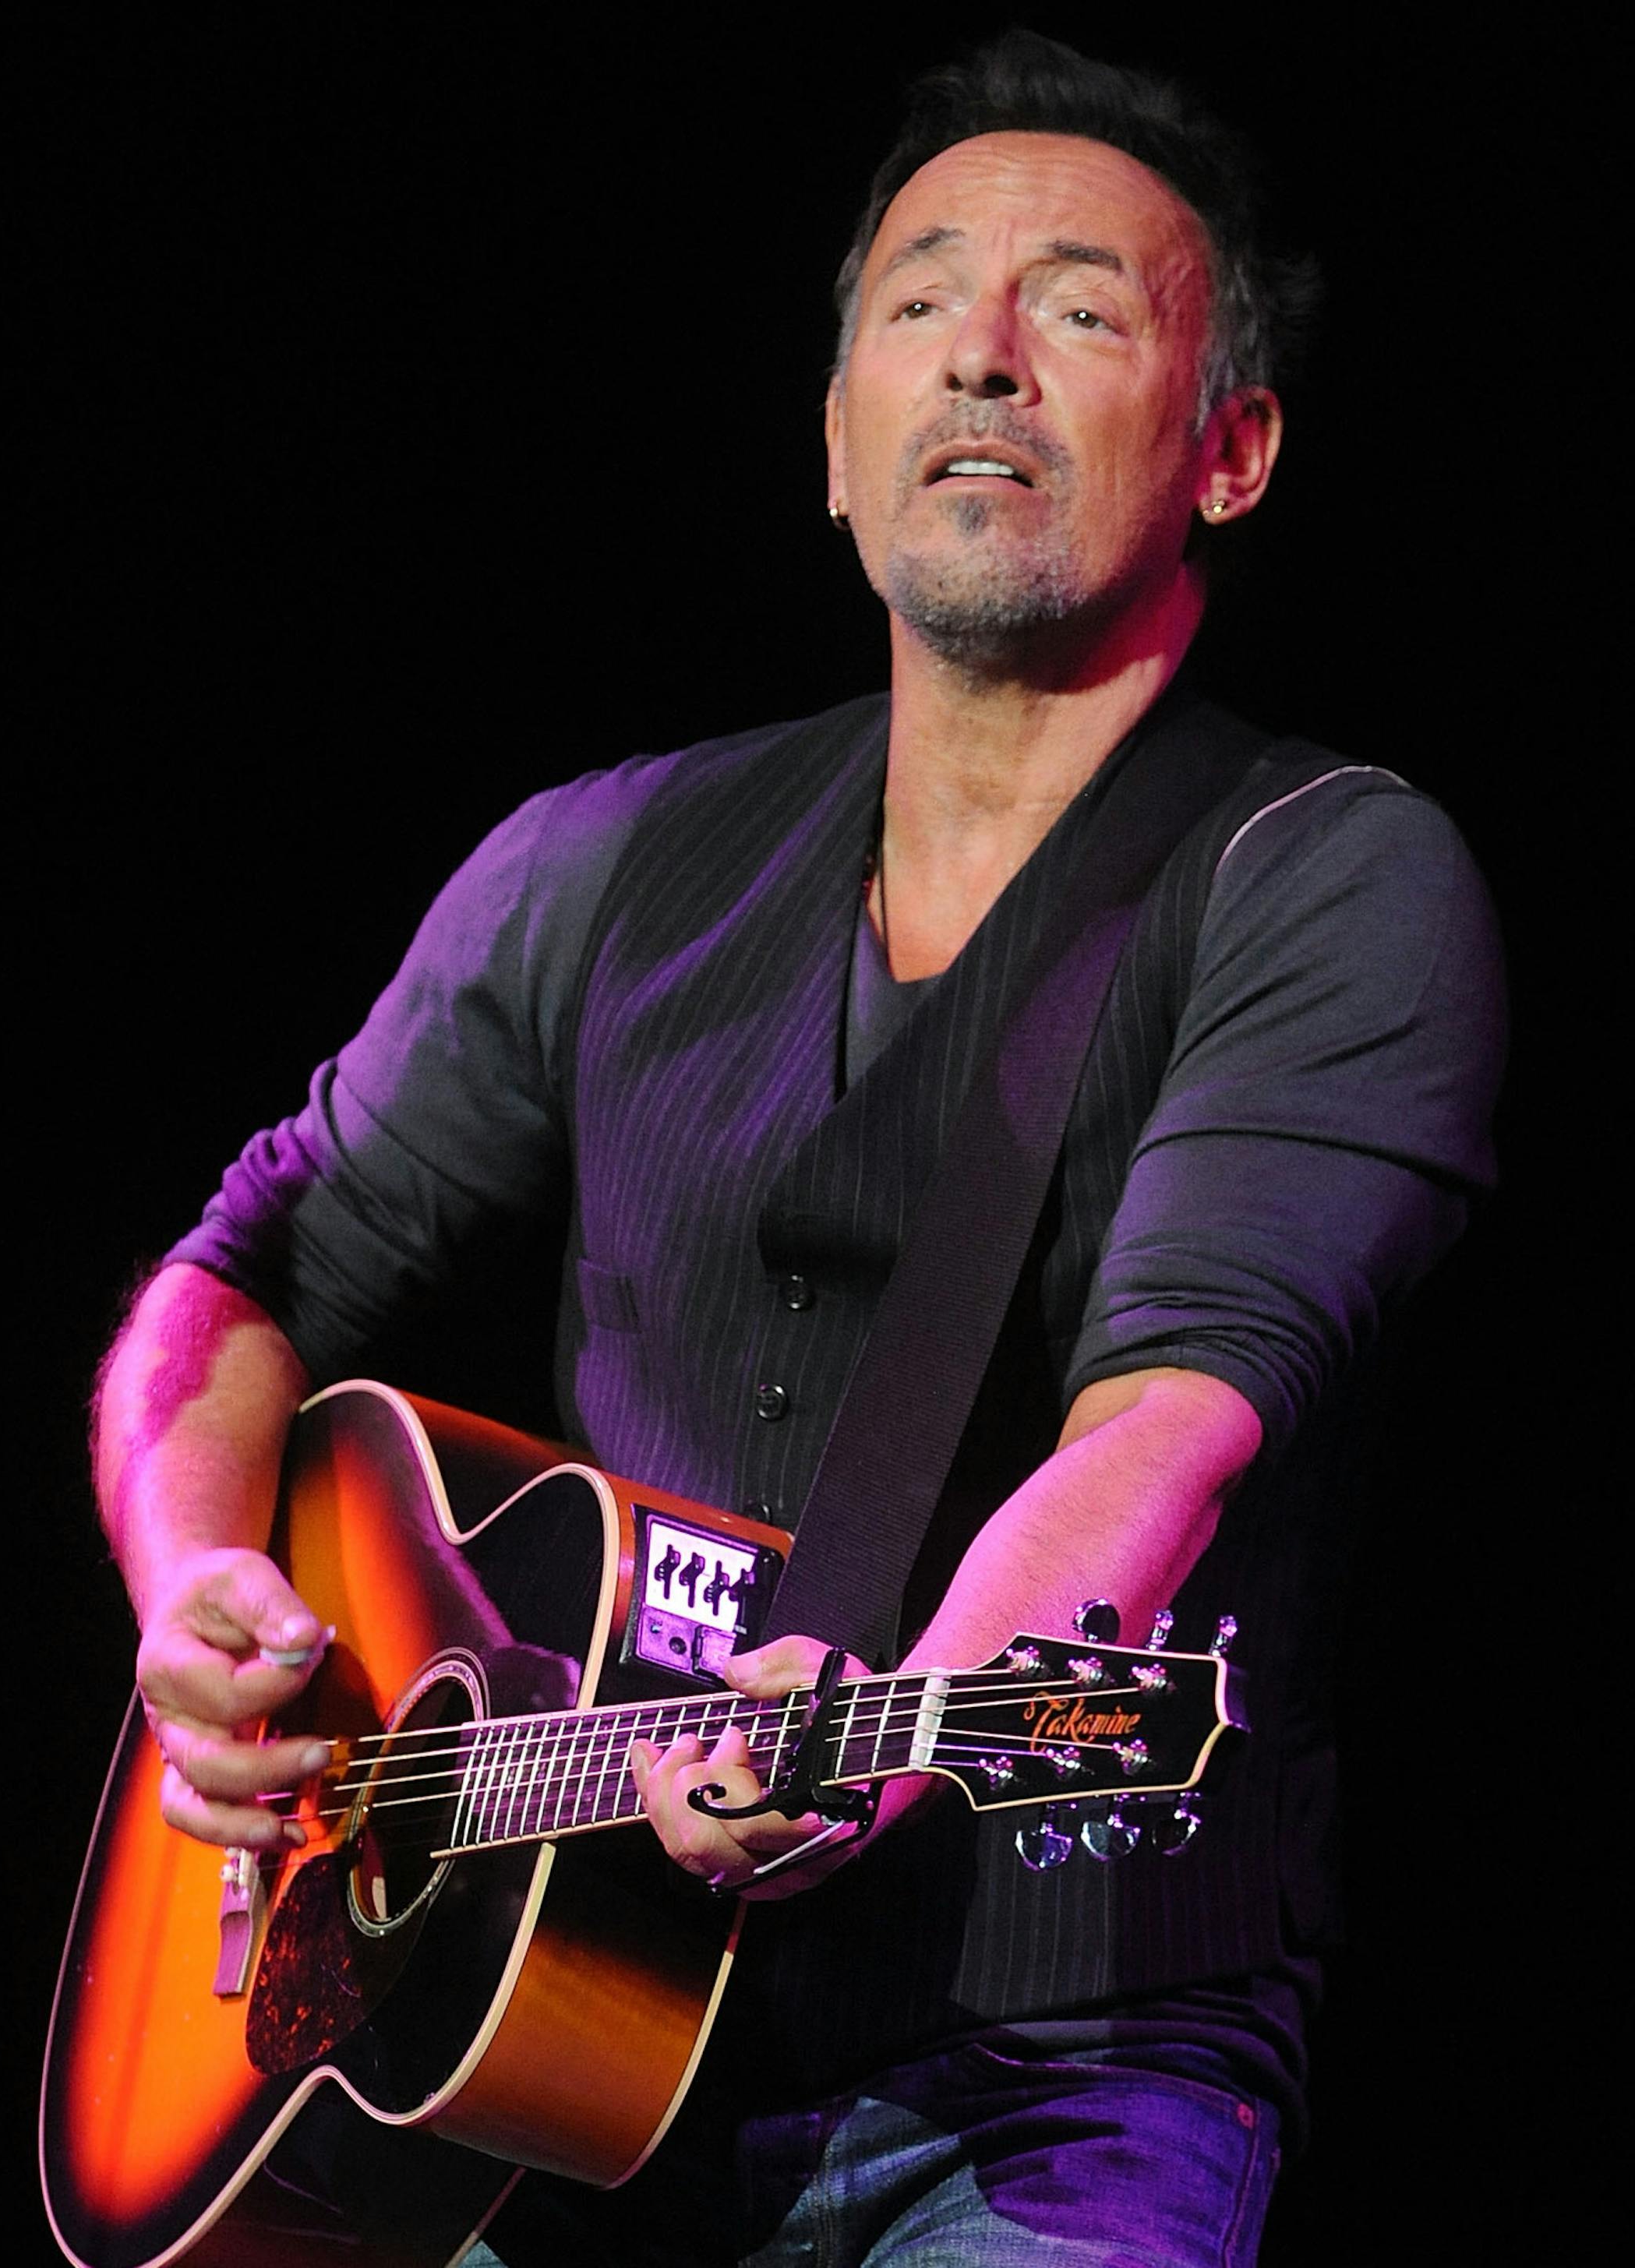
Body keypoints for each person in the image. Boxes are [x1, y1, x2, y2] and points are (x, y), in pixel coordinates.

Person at [91, 33, 1503, 2266]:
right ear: (836, 445)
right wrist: (192, 1590)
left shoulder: (1326, 877)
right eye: (922, 299)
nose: (985, 351)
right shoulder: (600, 863)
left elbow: (1167, 1427)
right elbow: (237, 1283)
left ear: (1230, 452)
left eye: (1081, 308)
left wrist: (902, 1740)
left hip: (1053, 2063)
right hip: (546, 2046)